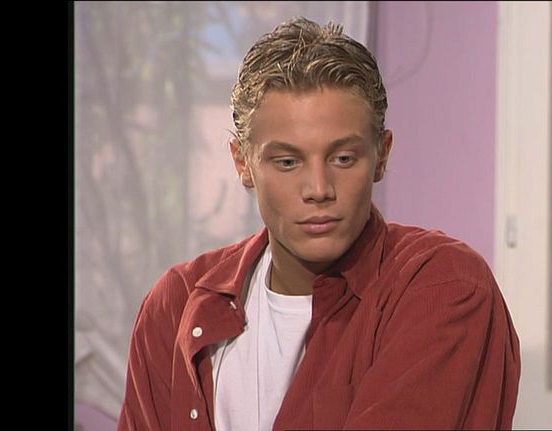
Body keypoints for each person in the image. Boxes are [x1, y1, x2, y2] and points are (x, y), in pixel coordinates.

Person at [117, 16, 520, 431]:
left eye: (343, 158)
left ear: (381, 155)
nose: (318, 189)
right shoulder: (176, 304)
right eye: (287, 162)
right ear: (242, 163)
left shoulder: (441, 285)